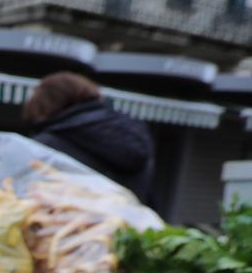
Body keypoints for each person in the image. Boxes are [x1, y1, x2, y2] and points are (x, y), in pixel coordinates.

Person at [22, 71, 155, 203]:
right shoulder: (133, 131)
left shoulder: (47, 144)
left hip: (72, 222)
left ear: (43, 103)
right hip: (132, 221)